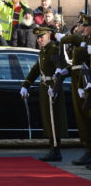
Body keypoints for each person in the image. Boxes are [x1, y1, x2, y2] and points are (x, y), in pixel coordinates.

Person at [20, 27, 68, 162]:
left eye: (41, 36)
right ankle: (52, 148)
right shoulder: (43, 52)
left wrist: (55, 89)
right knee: (48, 119)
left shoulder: (53, 49)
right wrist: (26, 84)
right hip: (44, 89)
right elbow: (36, 70)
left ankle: (56, 150)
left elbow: (60, 71)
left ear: (49, 35)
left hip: (52, 88)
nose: (39, 39)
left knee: (54, 120)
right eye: (37, 37)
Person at [61, 17, 91, 166]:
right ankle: (88, 149)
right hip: (79, 82)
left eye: (84, 25)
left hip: (87, 83)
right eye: (81, 25)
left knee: (88, 116)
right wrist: (64, 72)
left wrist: (65, 37)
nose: (81, 27)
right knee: (82, 118)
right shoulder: (83, 41)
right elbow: (78, 64)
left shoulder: (84, 41)